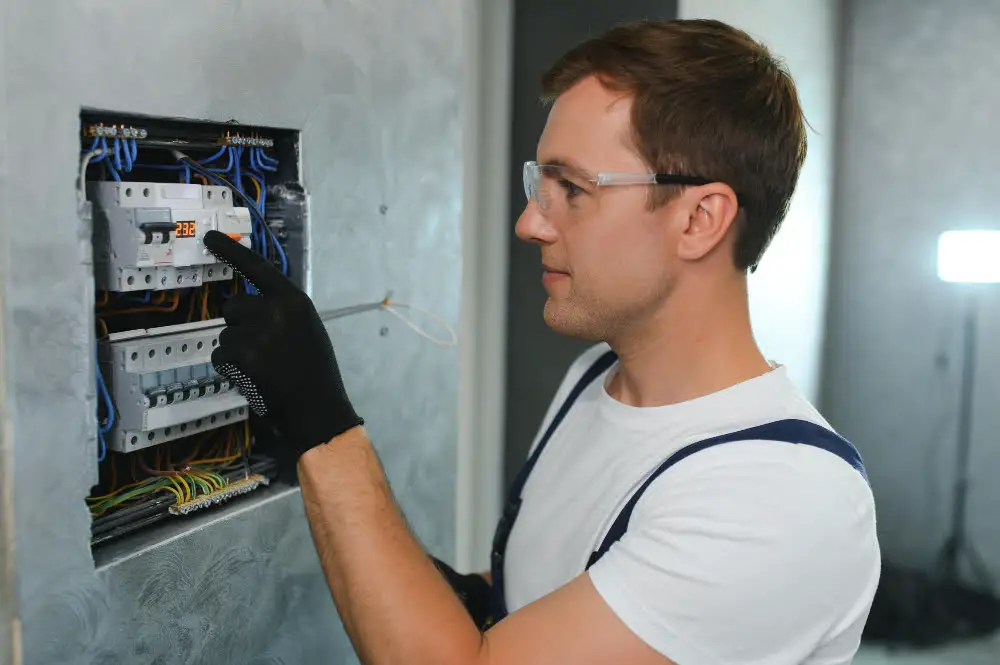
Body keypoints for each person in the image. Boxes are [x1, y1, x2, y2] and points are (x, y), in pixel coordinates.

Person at [204, 17, 880, 665]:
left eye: (572, 189)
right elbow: (537, 613)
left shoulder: (779, 496)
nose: (530, 222)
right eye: (540, 183)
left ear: (701, 219)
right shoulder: (595, 378)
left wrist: (324, 430)